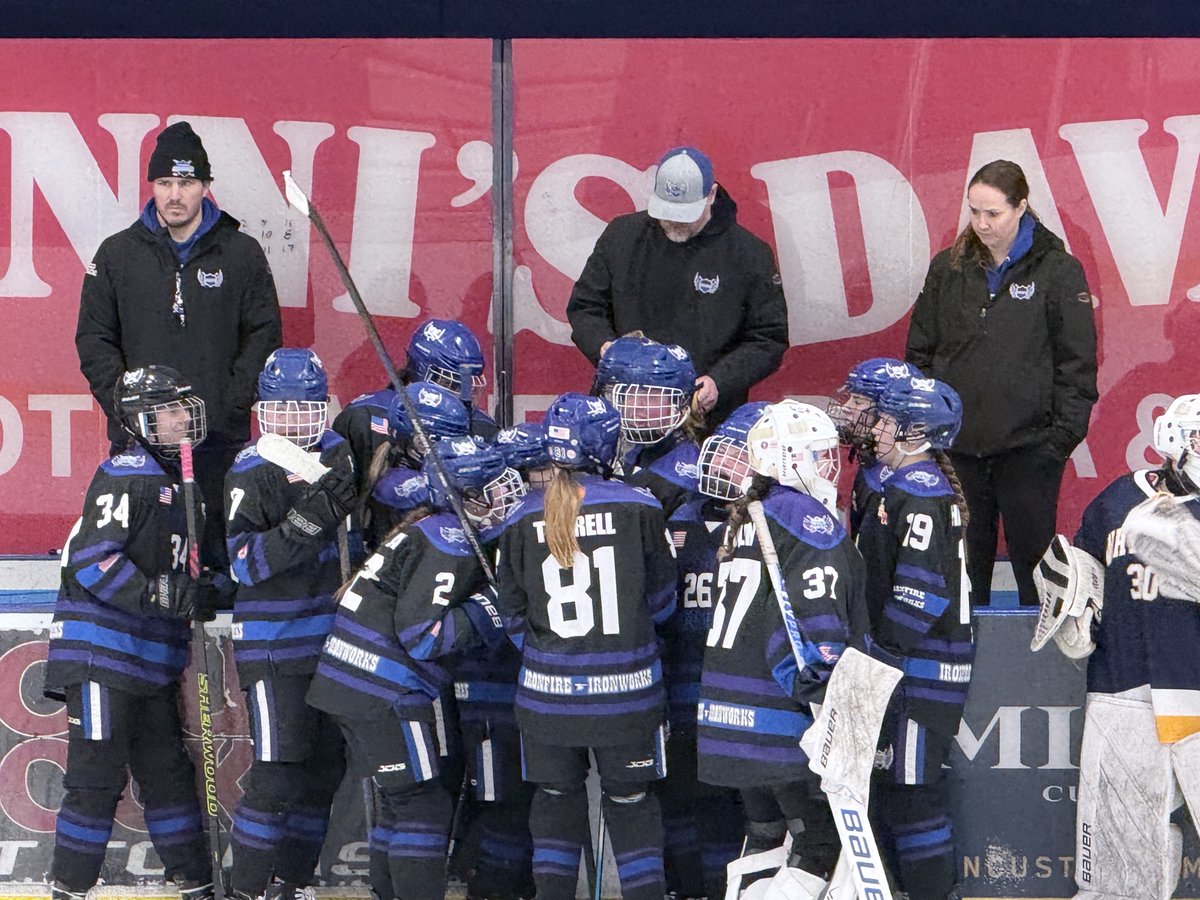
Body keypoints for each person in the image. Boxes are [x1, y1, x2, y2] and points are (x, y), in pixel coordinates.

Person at [306, 437, 524, 900]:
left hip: (349, 682)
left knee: (400, 801)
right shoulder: (450, 540)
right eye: (493, 486)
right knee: (423, 805)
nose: (506, 494)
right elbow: (423, 637)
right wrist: (489, 606)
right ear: (463, 493)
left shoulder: (428, 525)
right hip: (384, 690)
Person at [43, 366, 221, 900]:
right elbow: (91, 560)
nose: (181, 417)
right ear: (142, 420)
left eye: (181, 406)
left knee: (166, 772)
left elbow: (182, 571)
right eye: (168, 409)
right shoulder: (127, 472)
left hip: (149, 660)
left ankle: (194, 880)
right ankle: (69, 890)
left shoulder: (179, 483)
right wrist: (156, 594)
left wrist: (207, 589)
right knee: (95, 779)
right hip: (102, 654)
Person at [75, 121, 283, 573]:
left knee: (215, 566)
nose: (174, 194)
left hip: (218, 444)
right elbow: (94, 339)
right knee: (146, 567)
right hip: (142, 446)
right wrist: (128, 409)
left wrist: (230, 406)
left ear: (206, 186)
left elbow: (265, 336)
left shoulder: (241, 253)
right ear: (152, 184)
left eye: (186, 183)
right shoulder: (117, 255)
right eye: (164, 182)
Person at [494, 393, 678, 900]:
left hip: (546, 700)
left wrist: (546, 658)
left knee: (554, 798)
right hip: (629, 698)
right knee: (633, 801)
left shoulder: (517, 517)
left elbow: (509, 614)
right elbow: (664, 603)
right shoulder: (640, 506)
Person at [905, 159, 1097, 606]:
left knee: (1038, 574)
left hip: (1029, 451)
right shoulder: (947, 269)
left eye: (993, 213)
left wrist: (1058, 441)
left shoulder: (1058, 271)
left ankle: (1043, 673)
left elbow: (1078, 364)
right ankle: (962, 672)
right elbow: (920, 353)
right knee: (962, 576)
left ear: (1022, 207)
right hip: (958, 453)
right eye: (974, 211)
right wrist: (933, 428)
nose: (981, 223)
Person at [1030, 393, 1200, 900]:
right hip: (1123, 690)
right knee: (1120, 862)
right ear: (1172, 440)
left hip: (1195, 689)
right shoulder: (1115, 500)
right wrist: (1075, 613)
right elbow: (1080, 573)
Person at [697, 400, 865, 899]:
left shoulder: (749, 514)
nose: (830, 465)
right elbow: (811, 631)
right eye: (821, 454)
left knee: (764, 833)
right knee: (820, 844)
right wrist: (827, 693)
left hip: (726, 717)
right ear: (792, 459)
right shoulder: (808, 522)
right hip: (777, 722)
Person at [222, 349, 355, 900]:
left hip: (332, 639)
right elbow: (245, 564)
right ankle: (246, 888)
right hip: (275, 645)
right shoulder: (251, 468)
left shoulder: (339, 452)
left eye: (306, 406)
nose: (295, 418)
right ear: (262, 410)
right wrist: (307, 521)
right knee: (278, 772)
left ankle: (292, 881)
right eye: (282, 407)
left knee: (324, 769)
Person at [566, 146, 789, 427]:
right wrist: (606, 348)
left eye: (685, 212)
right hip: (625, 405)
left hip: (704, 416)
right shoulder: (622, 236)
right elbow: (585, 306)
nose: (674, 221)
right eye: (668, 210)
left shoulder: (749, 254)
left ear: (711, 195)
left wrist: (719, 382)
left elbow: (768, 338)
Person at [854, 376, 972, 900]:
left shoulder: (919, 493)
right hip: (915, 664)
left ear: (916, 432)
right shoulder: (904, 487)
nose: (877, 428)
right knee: (894, 789)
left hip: (922, 666)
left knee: (915, 791)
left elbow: (921, 593)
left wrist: (876, 658)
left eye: (886, 420)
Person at [659, 401, 769, 900]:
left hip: (743, 694)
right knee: (680, 798)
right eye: (722, 454)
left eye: (737, 457)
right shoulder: (677, 515)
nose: (724, 465)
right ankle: (689, 890)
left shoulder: (774, 526)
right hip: (680, 688)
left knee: (739, 805)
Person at [333, 318, 499, 496]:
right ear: (422, 372)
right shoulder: (365, 417)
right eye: (454, 384)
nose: (464, 396)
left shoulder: (484, 429)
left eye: (469, 385)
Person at [594, 336, 704, 517]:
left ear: (680, 404)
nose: (637, 407)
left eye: (651, 396)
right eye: (629, 395)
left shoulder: (685, 474)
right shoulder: (621, 450)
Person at [827, 358, 924, 538]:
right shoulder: (866, 460)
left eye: (857, 401)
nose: (845, 407)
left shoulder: (890, 483)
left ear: (887, 411)